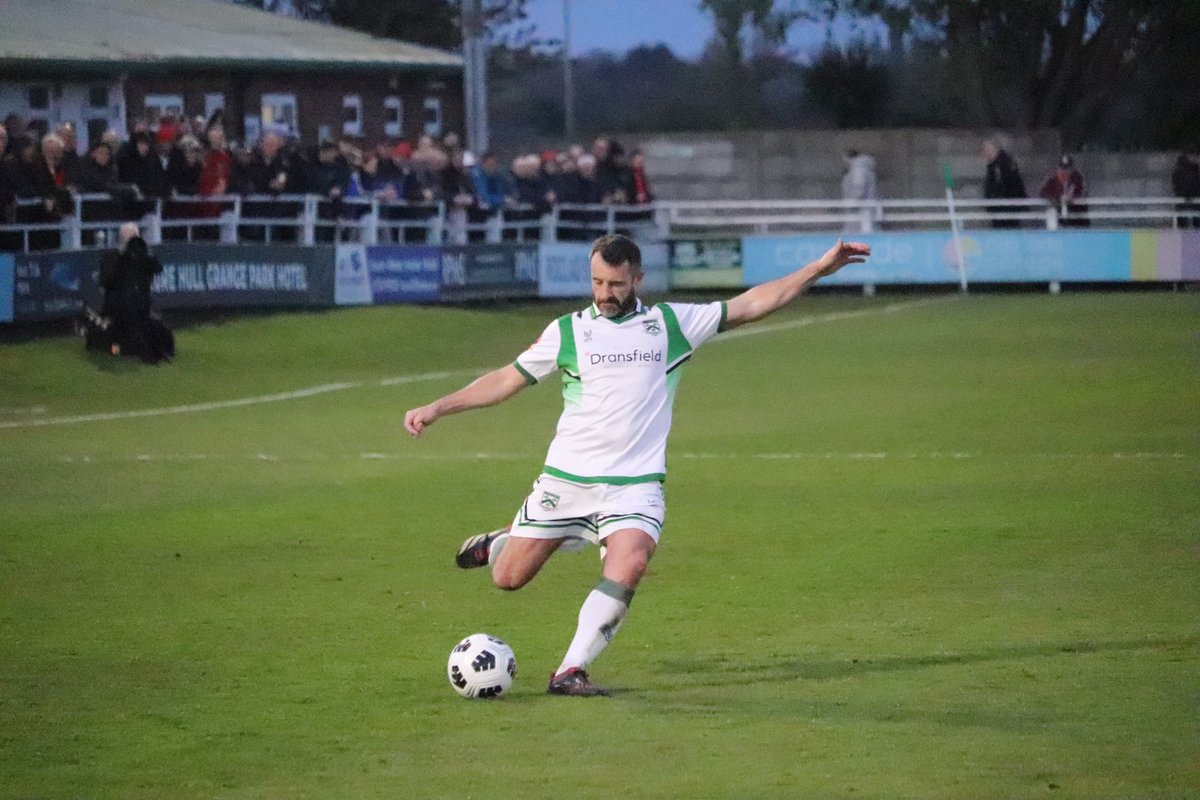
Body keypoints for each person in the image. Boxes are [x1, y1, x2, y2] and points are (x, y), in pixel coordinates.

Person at [403, 233, 870, 696]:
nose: (605, 294)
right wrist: (440, 407)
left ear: (638, 279)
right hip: (567, 481)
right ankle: (505, 542)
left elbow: (749, 304)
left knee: (631, 560)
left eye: (616, 284)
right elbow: (508, 378)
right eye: (598, 282)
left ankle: (570, 670)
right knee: (508, 579)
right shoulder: (568, 331)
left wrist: (816, 269)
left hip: (635, 484)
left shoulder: (671, 324)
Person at [94, 222, 173, 363]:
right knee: (115, 346)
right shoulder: (110, 258)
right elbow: (106, 282)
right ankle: (119, 349)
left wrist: (140, 255)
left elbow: (157, 268)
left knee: (158, 334)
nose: (130, 242)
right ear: (121, 239)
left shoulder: (144, 260)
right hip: (117, 312)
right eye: (127, 238)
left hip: (140, 310)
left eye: (134, 238)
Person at [981, 138, 1027, 229]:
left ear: (993, 149)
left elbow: (1007, 187)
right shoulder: (995, 165)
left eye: (986, 150)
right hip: (1000, 210)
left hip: (1006, 211)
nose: (984, 153)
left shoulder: (1002, 165)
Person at [1038, 155, 1089, 228]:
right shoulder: (1053, 179)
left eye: (1068, 168)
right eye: (1063, 168)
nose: (1065, 170)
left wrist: (1072, 197)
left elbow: (1083, 193)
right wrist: (1057, 197)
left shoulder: (1078, 178)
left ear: (1072, 168)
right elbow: (1043, 193)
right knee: (1051, 212)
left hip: (1077, 217)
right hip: (1060, 217)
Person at [1170, 151, 1200, 229]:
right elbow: (1195, 184)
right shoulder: (1194, 170)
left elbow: (1176, 185)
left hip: (1183, 198)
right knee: (1196, 219)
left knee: (1182, 220)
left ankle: (1184, 231)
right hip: (1193, 198)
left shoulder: (1178, 171)